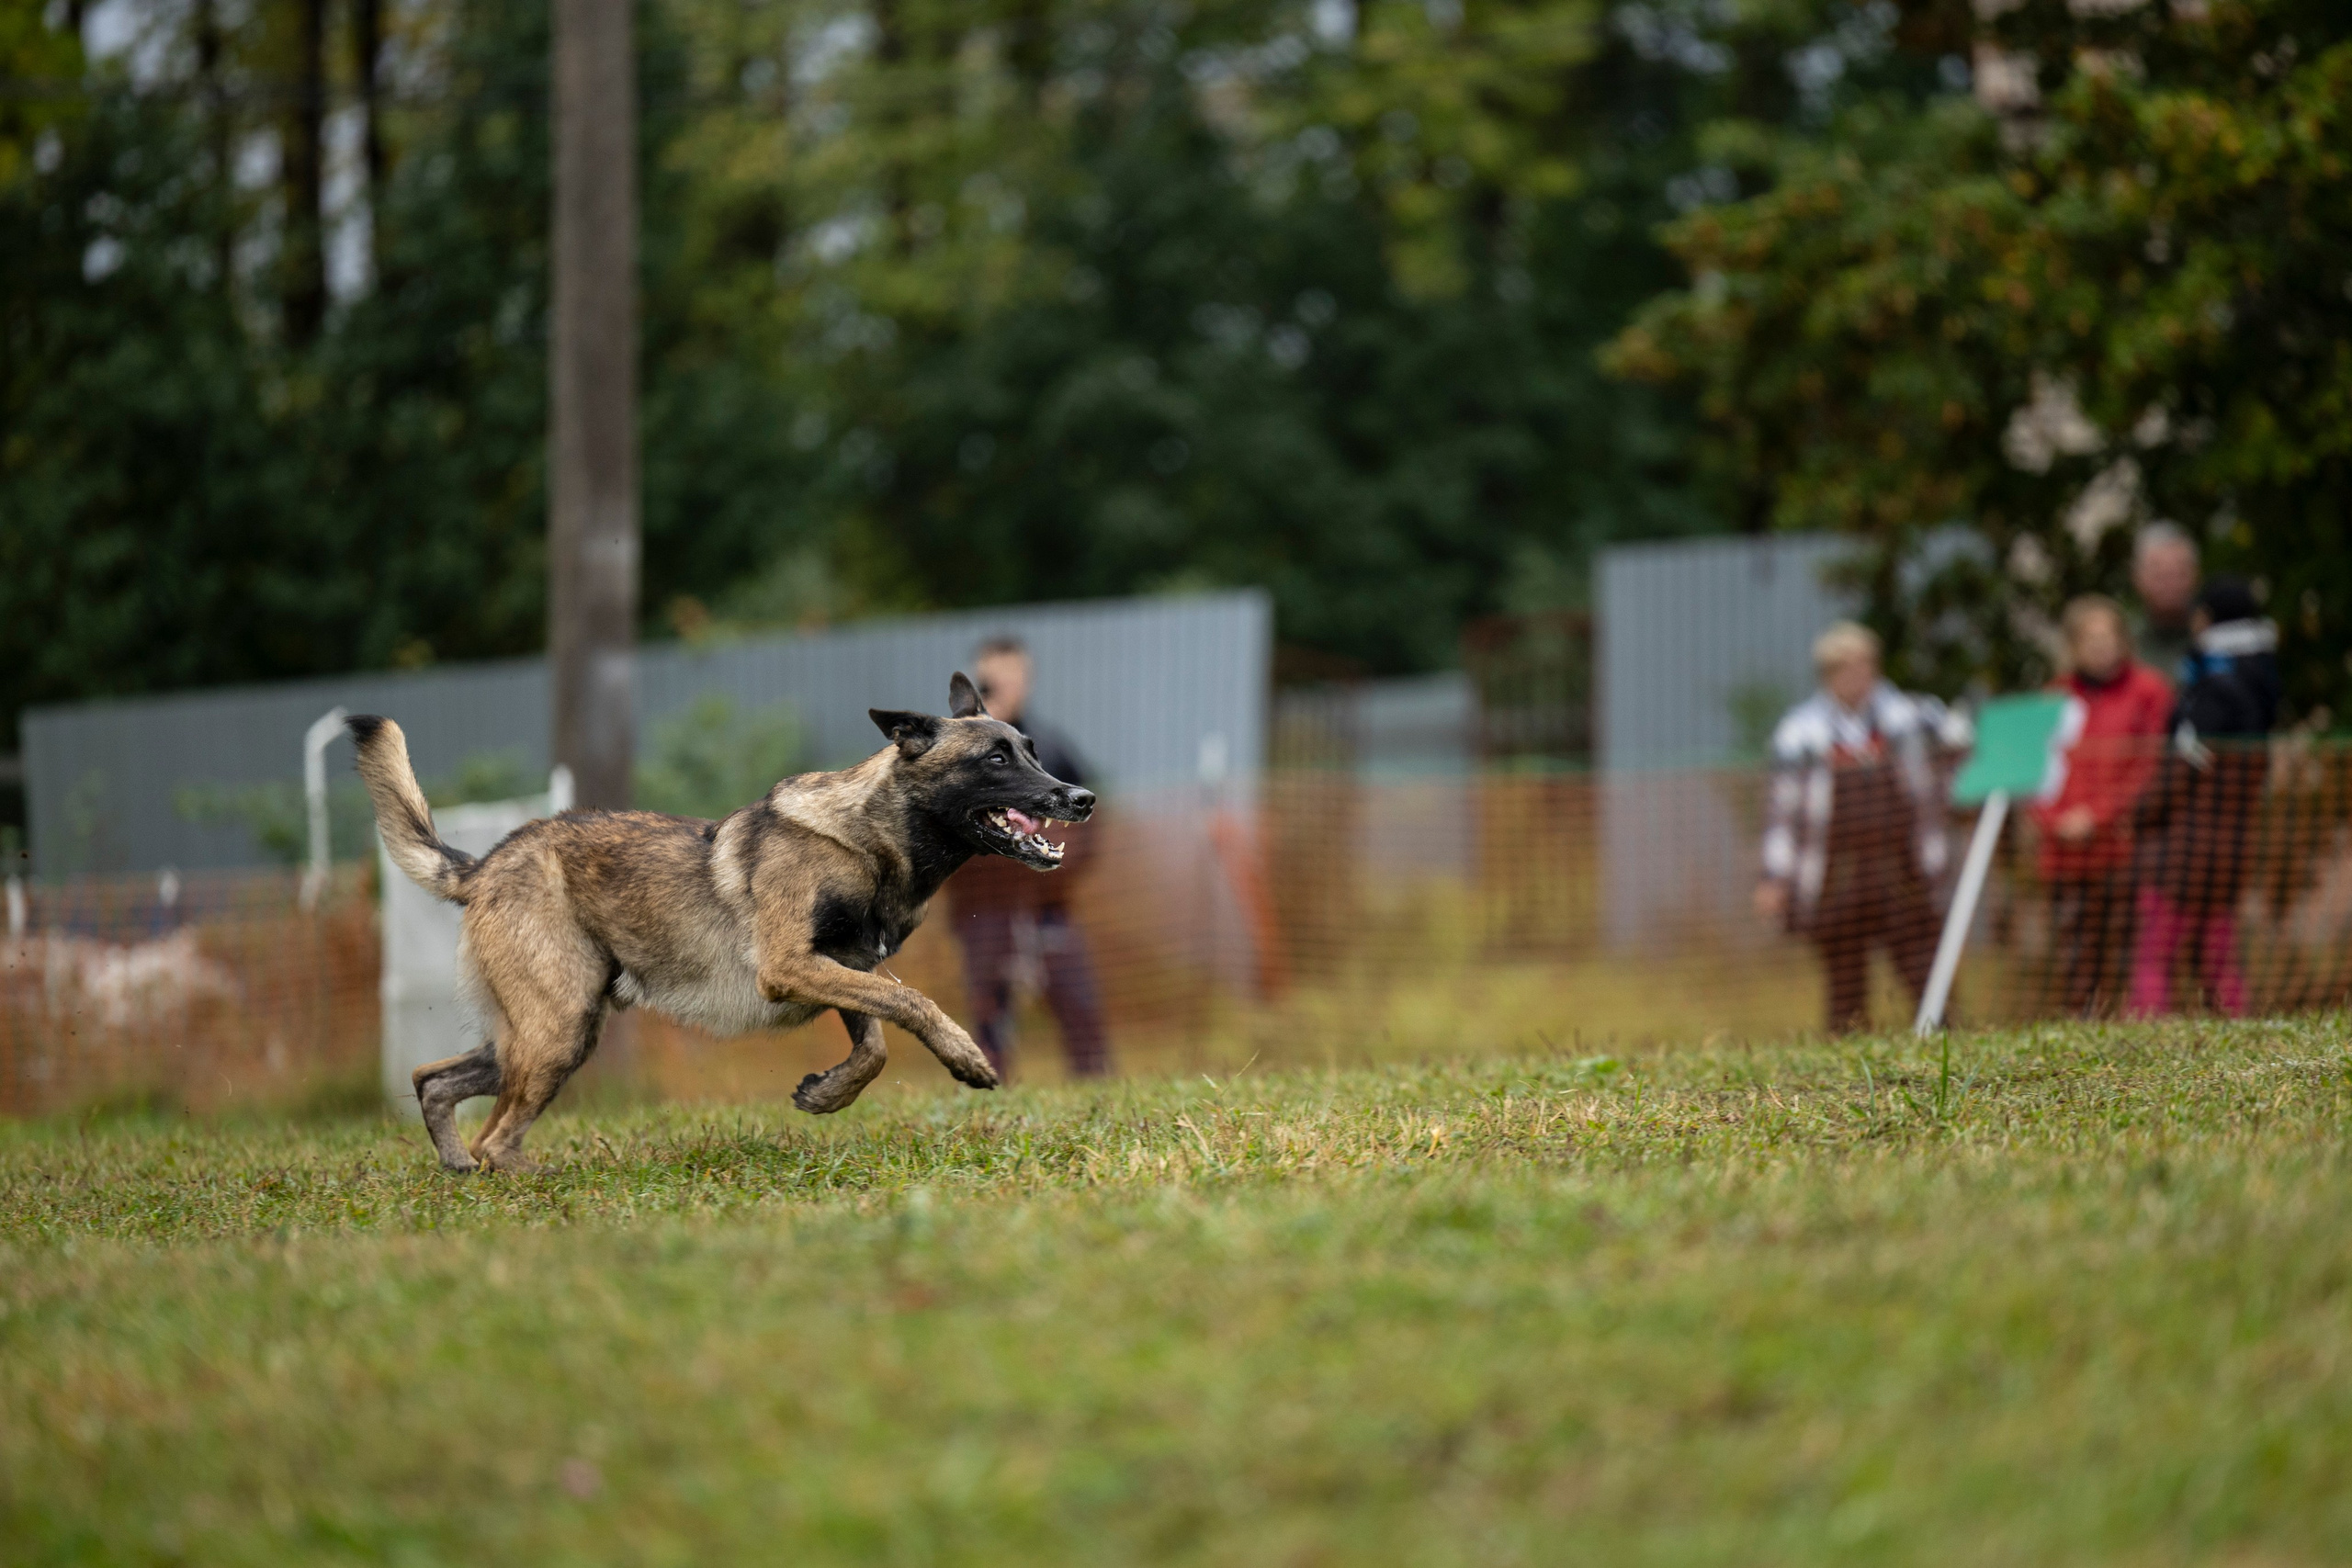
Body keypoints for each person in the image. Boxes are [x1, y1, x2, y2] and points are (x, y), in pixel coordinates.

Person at [1757, 622, 1968, 1034]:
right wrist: (1774, 877)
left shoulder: (1914, 717)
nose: (1856, 676)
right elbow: (1782, 814)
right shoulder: (1800, 733)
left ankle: (1944, 1043)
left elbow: (1961, 749)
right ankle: (1847, 1060)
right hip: (1839, 877)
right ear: (1827, 674)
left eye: (1863, 665)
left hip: (1902, 870)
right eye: (1844, 667)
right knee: (1845, 981)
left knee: (1924, 966)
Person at [945, 636, 1112, 1077]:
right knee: (990, 1023)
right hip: (983, 914)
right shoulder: (953, 760)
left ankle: (1100, 1095)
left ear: (1027, 681)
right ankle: (989, 1110)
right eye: (990, 679)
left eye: (1011, 676)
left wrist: (1054, 869)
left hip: (1048, 910)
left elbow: (1091, 818)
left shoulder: (1052, 750)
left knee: (1080, 1006)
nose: (1002, 686)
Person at [2129, 577, 2280, 1017]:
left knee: (2155, 951)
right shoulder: (2261, 677)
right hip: (2233, 842)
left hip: (2188, 845)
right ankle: (2242, 1032)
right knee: (2218, 955)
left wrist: (2142, 812)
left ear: (2208, 618)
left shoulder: (2216, 684)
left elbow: (2188, 761)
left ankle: (2145, 1031)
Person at [2028, 596, 2174, 1015]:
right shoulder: (2051, 699)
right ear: (2073, 645)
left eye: (2108, 636)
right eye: (2089, 638)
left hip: (2126, 850)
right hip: (2064, 855)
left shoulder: (2149, 692)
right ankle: (2082, 1030)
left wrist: (2100, 815)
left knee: (2130, 951)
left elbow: (2150, 765)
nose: (2100, 646)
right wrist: (2056, 821)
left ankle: (2133, 1035)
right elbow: (2035, 774)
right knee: (2076, 955)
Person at [2130, 522, 2201, 684]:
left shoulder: (2216, 641)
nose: (2170, 583)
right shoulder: (2124, 646)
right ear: (2137, 578)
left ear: (2196, 576)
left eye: (2179, 573)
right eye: (2159, 574)